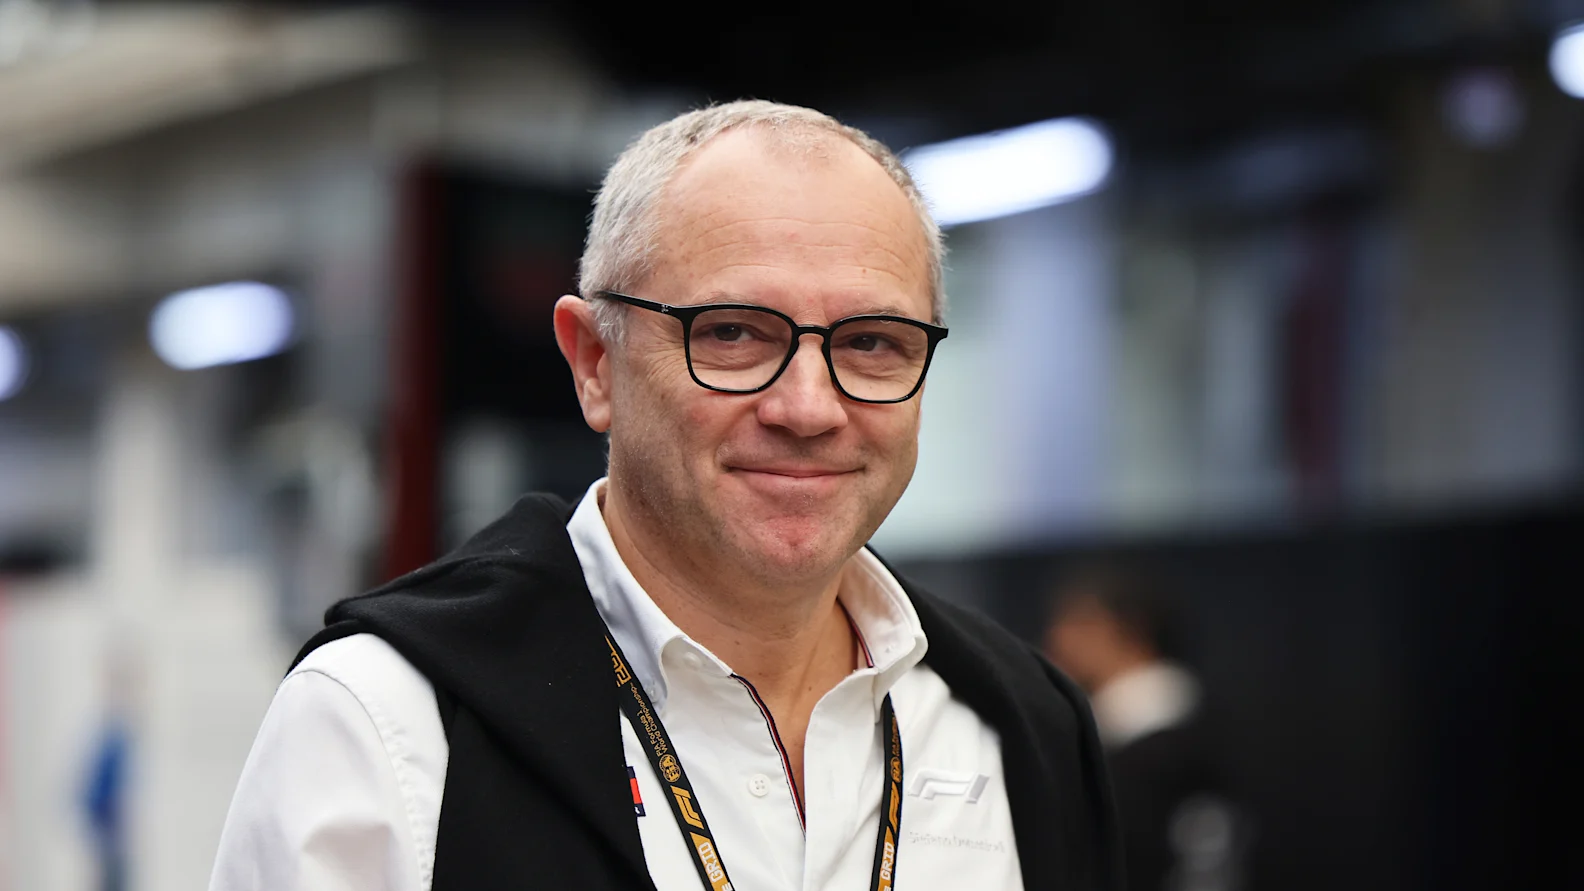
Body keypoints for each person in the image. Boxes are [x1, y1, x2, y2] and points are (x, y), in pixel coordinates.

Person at [210, 100, 1120, 891]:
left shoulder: (1021, 725)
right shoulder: (389, 720)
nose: (809, 407)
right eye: (732, 333)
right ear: (594, 363)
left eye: (872, 343)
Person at [1045, 564, 1244, 891]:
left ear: (1132, 629)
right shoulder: (1198, 723)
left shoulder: (1148, 754)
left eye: (1080, 624)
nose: (1058, 639)